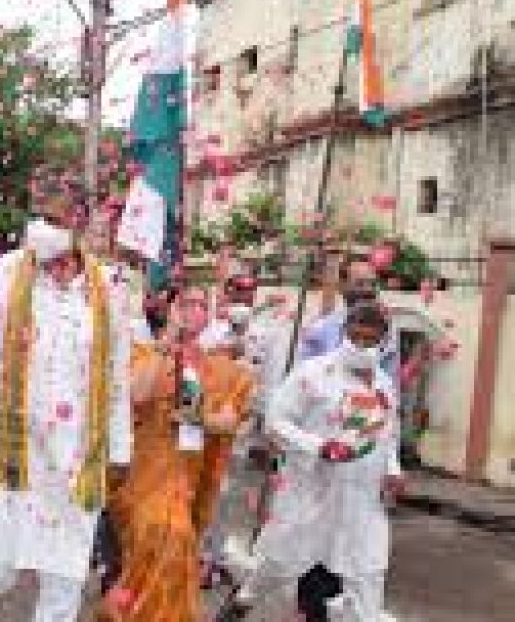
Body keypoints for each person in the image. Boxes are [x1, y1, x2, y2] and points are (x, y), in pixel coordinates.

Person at [0, 174, 135, 621]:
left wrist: (119, 451)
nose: (40, 227)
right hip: (10, 455)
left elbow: (117, 374)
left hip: (77, 459)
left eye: (53, 217)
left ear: (80, 222)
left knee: (64, 583)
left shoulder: (109, 289)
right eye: (37, 215)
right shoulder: (0, 275)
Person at [226, 303, 402, 622]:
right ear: (344, 331)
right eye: (355, 336)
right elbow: (276, 422)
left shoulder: (385, 387)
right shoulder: (313, 374)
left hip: (362, 504)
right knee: (279, 563)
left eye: (370, 340)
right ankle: (244, 598)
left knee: (368, 577)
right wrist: (319, 446)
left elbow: (388, 436)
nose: (361, 346)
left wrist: (392, 471)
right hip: (311, 494)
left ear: (384, 342)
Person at [99, 285, 254, 621]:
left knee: (176, 542)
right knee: (158, 538)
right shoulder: (142, 351)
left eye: (201, 305)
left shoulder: (222, 367)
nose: (193, 311)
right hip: (140, 474)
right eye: (186, 303)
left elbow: (230, 421)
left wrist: (201, 418)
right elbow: (136, 394)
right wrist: (167, 344)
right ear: (170, 309)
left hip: (187, 478)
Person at [197, 265, 289, 578]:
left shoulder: (268, 332)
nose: (244, 297)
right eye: (239, 290)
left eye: (250, 291)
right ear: (229, 293)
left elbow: (273, 381)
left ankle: (213, 556)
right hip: (204, 423)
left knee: (226, 491)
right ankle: (196, 551)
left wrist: (270, 427)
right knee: (200, 486)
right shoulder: (209, 331)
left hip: (241, 427)